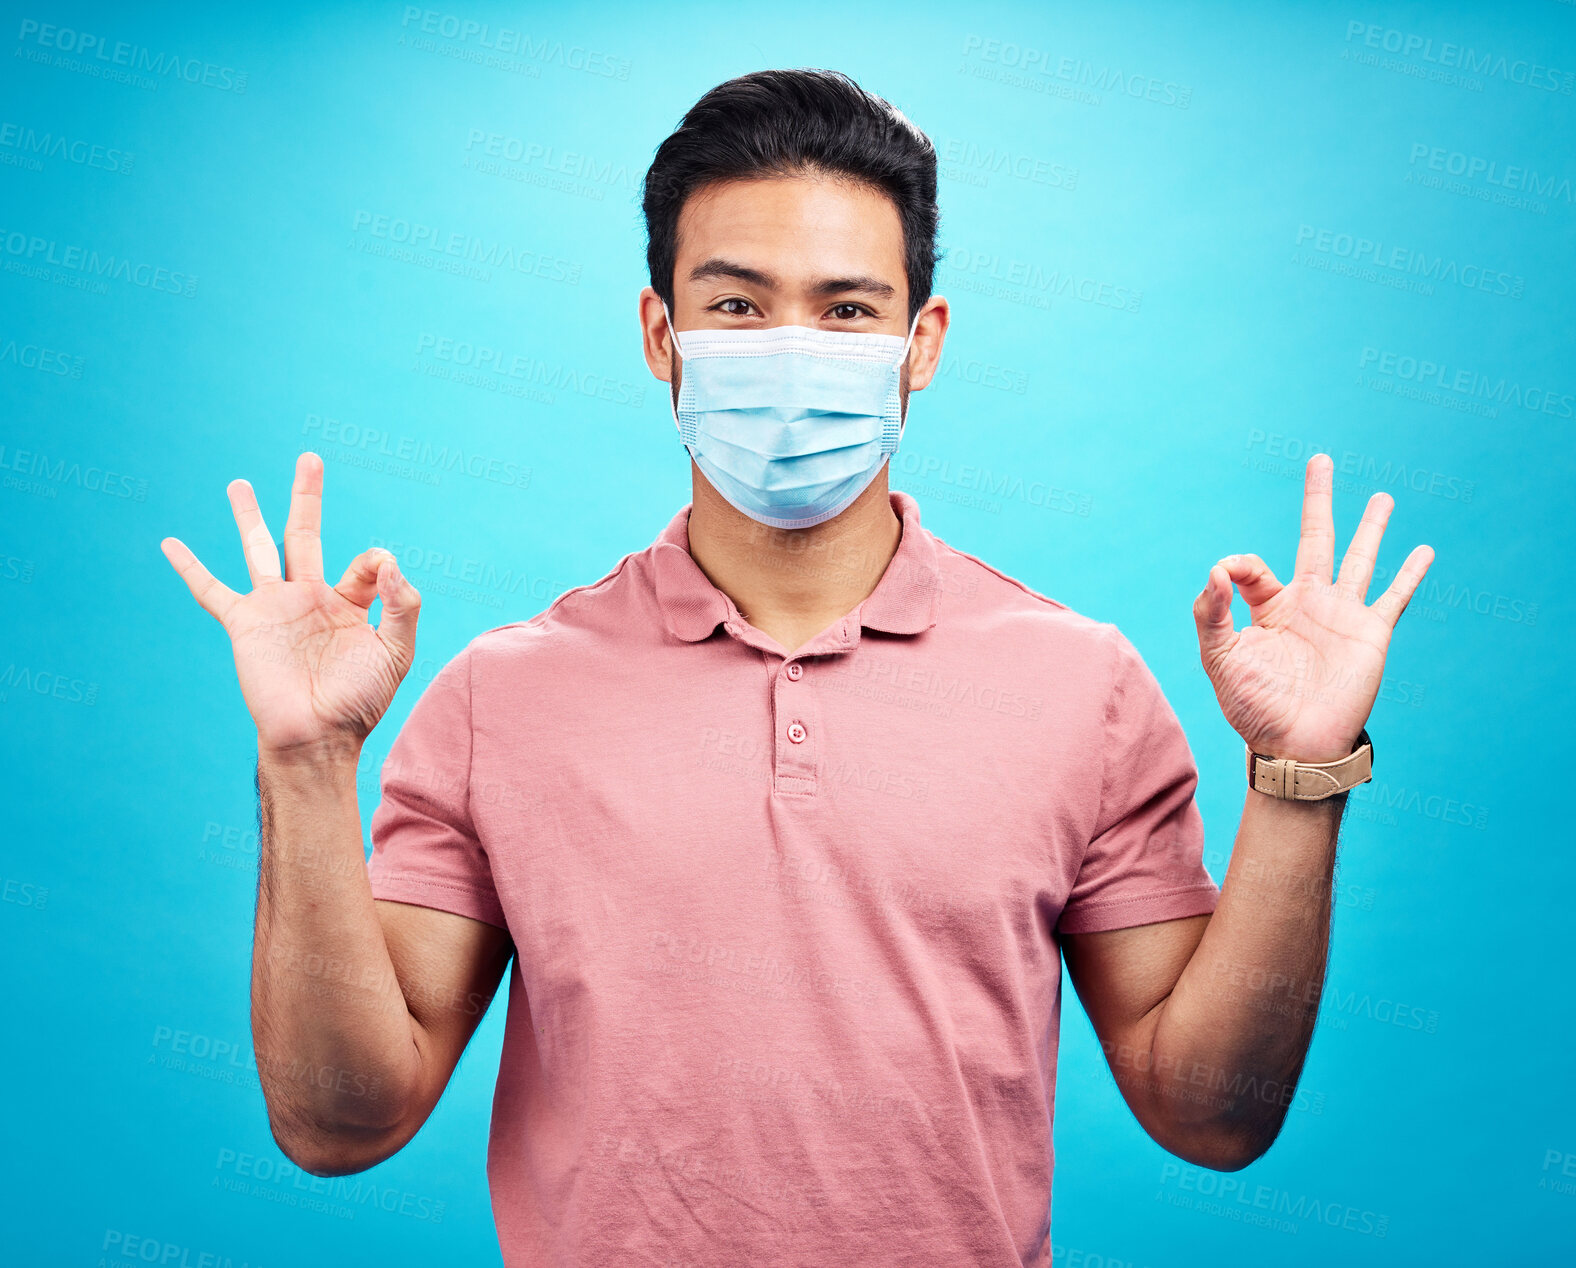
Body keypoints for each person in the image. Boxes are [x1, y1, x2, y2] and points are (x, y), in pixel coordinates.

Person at [160, 68, 1434, 1268]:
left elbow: (1211, 1116)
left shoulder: (1082, 685)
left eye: (844, 310)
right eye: (735, 303)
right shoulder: (502, 697)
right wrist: (308, 761)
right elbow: (340, 1124)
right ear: (660, 333)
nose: (788, 348)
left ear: (919, 340)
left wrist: (1297, 774)